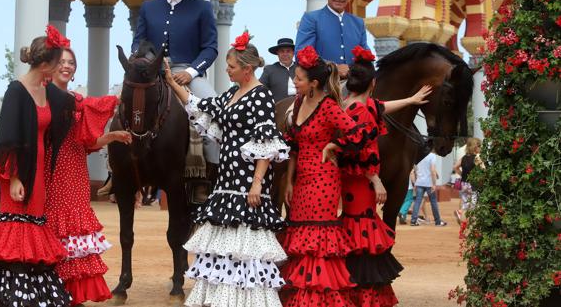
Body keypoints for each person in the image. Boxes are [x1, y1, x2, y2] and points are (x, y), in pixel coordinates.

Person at [165, 31, 289, 306]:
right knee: (224, 243)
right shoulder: (232, 92)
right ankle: (224, 300)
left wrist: (257, 183)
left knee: (245, 247)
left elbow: (266, 143)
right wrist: (173, 83)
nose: (227, 70)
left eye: (231, 66)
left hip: (247, 182)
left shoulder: (262, 97)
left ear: (247, 69)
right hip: (226, 180)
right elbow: (200, 106)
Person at [0, 26, 76, 307]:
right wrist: (14, 179)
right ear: (45, 64)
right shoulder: (17, 91)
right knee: (17, 234)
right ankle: (8, 298)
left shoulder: (48, 91)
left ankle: (29, 297)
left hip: (40, 172)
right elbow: (7, 139)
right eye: (58, 64)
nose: (61, 69)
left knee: (35, 231)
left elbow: (74, 105)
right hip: (18, 174)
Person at [325, 45, 432, 306]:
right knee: (363, 231)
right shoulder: (363, 110)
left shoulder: (349, 104)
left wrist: (410, 100)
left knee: (353, 226)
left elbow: (382, 106)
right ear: (373, 83)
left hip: (349, 180)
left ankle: (350, 289)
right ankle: (362, 295)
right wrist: (376, 179)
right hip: (362, 180)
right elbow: (361, 148)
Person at [279, 45, 373, 307]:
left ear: (313, 83)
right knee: (299, 241)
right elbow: (294, 146)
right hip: (301, 183)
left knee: (318, 244)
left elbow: (361, 134)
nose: (294, 82)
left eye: (298, 78)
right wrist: (288, 181)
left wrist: (335, 146)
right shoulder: (298, 103)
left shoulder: (330, 107)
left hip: (324, 182)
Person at [45, 46, 132, 306]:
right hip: (51, 169)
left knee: (74, 229)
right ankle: (51, 287)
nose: (67, 66)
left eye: (71, 62)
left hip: (76, 171)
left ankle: (73, 293)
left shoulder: (77, 100)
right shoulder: (43, 97)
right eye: (62, 62)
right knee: (54, 226)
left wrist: (113, 136)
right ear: (50, 66)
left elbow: (88, 142)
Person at [133, 0, 220, 172]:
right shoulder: (148, 7)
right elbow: (138, 42)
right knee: (117, 103)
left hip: (186, 70)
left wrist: (191, 73)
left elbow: (210, 48)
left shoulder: (202, 8)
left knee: (214, 110)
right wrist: (144, 63)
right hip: (151, 70)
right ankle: (114, 171)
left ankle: (212, 171)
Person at [295, 0, 369, 79]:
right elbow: (302, 55)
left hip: (354, 85)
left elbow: (366, 56)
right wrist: (332, 67)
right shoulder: (311, 18)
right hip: (322, 85)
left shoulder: (358, 23)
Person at [410, 148, 447, 227]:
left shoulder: (418, 156)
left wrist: (416, 182)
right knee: (433, 202)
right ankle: (437, 221)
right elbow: (432, 170)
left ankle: (413, 220)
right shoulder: (432, 156)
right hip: (429, 183)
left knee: (417, 201)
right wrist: (434, 184)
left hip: (419, 181)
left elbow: (415, 170)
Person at [453, 137, 483, 224]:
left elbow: (455, 167)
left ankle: (462, 230)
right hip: (473, 185)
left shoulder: (463, 157)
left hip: (463, 184)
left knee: (464, 207)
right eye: (479, 146)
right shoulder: (477, 158)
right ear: (475, 147)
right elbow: (484, 170)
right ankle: (473, 230)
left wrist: (462, 174)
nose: (480, 148)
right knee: (474, 208)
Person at [260, 37, 297, 102]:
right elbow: (260, 89)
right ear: (278, 53)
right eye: (282, 51)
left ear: (293, 53)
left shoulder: (301, 68)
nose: (285, 54)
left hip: (302, 107)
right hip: (279, 108)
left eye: (288, 51)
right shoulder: (269, 70)